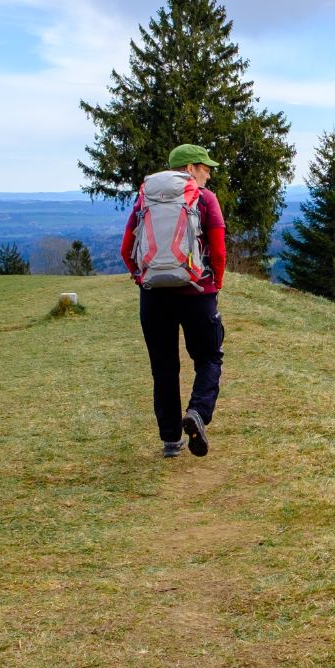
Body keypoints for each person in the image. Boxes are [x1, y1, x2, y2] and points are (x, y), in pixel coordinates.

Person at [121, 143, 227, 458]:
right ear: (190, 168)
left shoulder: (145, 199)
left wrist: (141, 278)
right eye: (205, 166)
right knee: (208, 358)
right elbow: (218, 250)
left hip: (154, 297)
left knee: (163, 368)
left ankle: (170, 441)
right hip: (197, 293)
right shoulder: (205, 199)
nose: (209, 172)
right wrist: (215, 283)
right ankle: (197, 412)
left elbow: (127, 248)